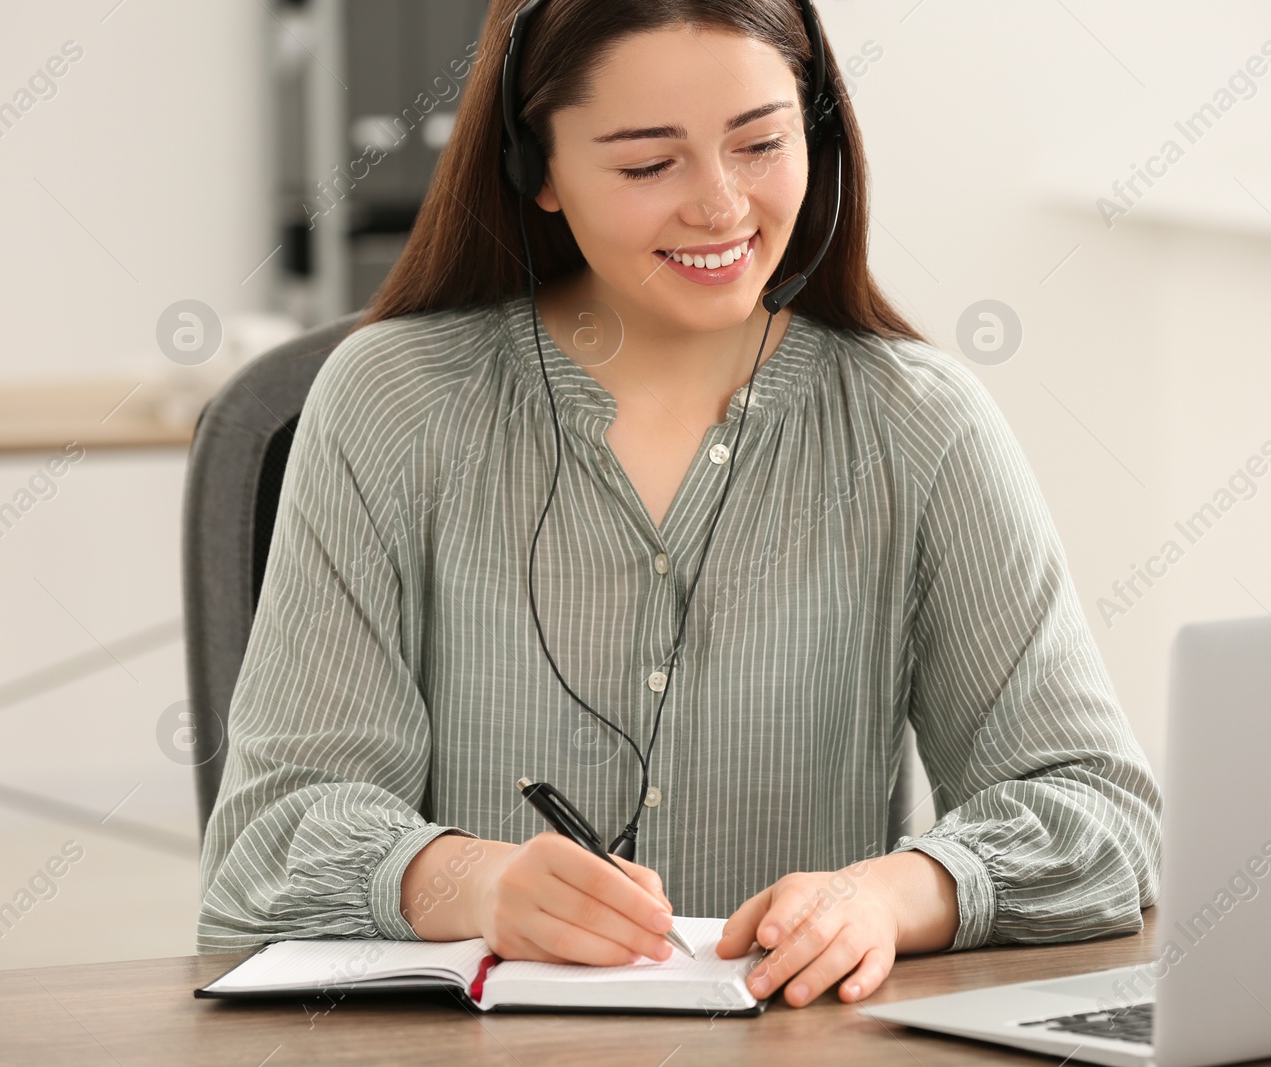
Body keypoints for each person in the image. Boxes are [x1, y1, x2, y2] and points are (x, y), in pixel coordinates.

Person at [197, 0, 1162, 1011]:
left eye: (760, 144)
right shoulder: (392, 403)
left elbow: (1095, 808)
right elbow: (270, 837)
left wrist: (887, 894)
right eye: (647, 165)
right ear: (540, 173)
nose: (720, 205)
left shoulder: (918, 423)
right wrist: (473, 881)